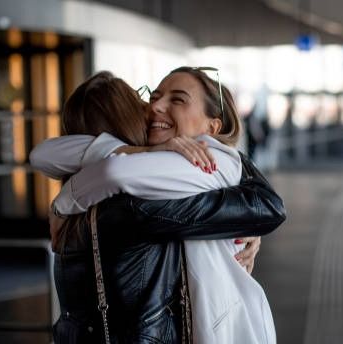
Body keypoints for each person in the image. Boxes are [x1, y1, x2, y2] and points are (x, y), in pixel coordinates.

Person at [30, 70, 285, 343]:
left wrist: (62, 204)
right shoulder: (134, 192)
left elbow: (266, 206)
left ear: (213, 126)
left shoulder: (203, 159)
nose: (155, 107)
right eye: (152, 98)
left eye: (178, 100)